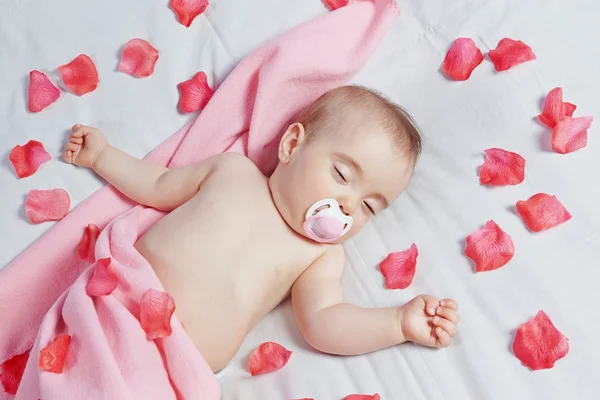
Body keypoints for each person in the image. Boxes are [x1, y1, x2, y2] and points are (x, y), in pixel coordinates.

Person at [62, 85, 460, 372]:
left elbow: (323, 323)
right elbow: (157, 185)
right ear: (291, 145)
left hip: (171, 370)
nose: (350, 206)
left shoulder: (319, 255)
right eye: (341, 174)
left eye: (370, 206)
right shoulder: (231, 172)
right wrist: (103, 157)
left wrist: (397, 324)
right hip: (116, 306)